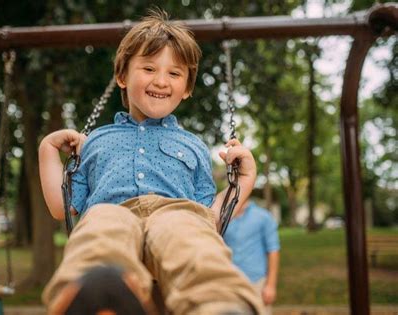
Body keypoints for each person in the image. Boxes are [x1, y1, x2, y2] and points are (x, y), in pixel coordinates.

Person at [39, 9, 264, 315]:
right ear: (122, 76)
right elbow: (61, 206)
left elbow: (211, 217)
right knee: (101, 226)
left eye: (174, 73)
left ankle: (219, 303)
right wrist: (47, 149)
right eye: (148, 68)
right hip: (114, 211)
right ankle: (96, 294)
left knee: (190, 237)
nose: (161, 81)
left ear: (186, 88)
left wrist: (245, 181)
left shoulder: (194, 145)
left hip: (176, 215)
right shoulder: (95, 141)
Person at [223, 200, 280, 315]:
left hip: (257, 283)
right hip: (230, 284)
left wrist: (271, 285)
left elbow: (273, 250)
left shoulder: (263, 216)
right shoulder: (223, 216)